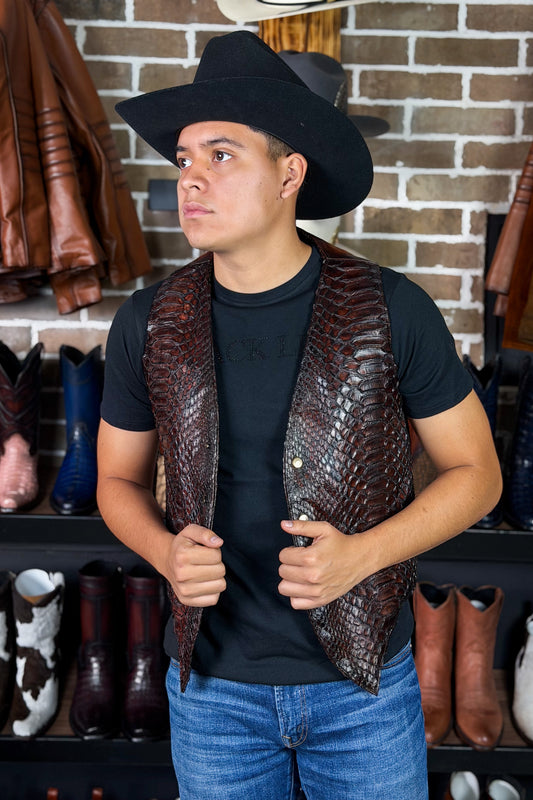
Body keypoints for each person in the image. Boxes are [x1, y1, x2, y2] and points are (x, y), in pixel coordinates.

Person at [97, 31, 502, 800]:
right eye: (183, 159)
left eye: (221, 155)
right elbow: (116, 481)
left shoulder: (391, 309)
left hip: (363, 689)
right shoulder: (148, 323)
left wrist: (362, 555)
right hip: (210, 691)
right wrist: (162, 550)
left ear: (289, 173)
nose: (191, 179)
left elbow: (477, 474)